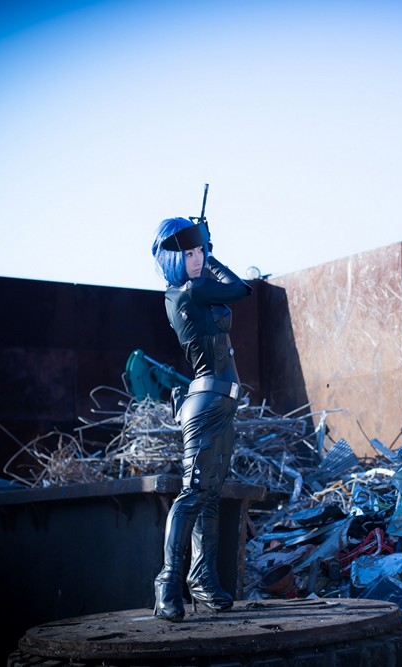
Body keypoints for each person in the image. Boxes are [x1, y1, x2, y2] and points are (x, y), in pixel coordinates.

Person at [150, 216, 252, 620]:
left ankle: (203, 581)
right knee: (193, 492)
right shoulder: (189, 291)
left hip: (220, 403)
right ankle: (167, 582)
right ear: (172, 259)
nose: (196, 259)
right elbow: (240, 288)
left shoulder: (192, 291)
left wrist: (204, 248)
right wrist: (211, 257)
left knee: (209, 496)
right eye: (189, 253)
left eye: (199, 252)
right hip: (207, 402)